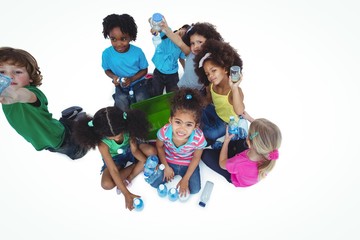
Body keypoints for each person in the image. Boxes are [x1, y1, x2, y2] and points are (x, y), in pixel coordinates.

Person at [0, 47, 88, 160]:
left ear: (30, 78)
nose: (9, 76)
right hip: (47, 137)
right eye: (2, 72)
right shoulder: (3, 92)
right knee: (53, 135)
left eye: (17, 72)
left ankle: (80, 122)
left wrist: (14, 95)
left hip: (62, 139)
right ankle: (68, 120)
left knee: (77, 152)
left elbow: (21, 95)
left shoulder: (32, 93)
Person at [72, 106, 156, 210]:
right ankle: (137, 166)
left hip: (130, 150)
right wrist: (126, 193)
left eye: (119, 134)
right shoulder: (102, 144)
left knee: (151, 151)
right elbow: (113, 169)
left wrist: (145, 161)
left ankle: (131, 176)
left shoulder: (128, 129)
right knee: (106, 184)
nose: (117, 138)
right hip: (115, 159)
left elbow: (134, 151)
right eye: (112, 137)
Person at [194, 39, 254, 145]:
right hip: (217, 112)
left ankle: (200, 129)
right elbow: (209, 99)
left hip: (227, 123)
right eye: (207, 74)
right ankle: (197, 123)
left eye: (213, 70)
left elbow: (239, 111)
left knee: (211, 133)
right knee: (195, 108)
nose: (210, 76)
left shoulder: (233, 91)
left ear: (225, 69)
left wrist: (235, 88)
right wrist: (198, 105)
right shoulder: (212, 85)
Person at [150, 87, 207, 197]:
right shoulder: (165, 131)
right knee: (154, 184)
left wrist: (185, 179)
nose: (182, 129)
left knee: (195, 190)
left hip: (188, 163)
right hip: (169, 161)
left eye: (188, 124)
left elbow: (196, 157)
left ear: (196, 126)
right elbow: (159, 147)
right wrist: (166, 166)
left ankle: (184, 175)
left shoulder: (199, 137)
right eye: (178, 122)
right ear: (170, 120)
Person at [201, 118, 282, 187]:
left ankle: (221, 148)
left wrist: (226, 141)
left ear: (249, 143)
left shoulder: (239, 162)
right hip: (244, 166)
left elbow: (222, 164)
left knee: (205, 154)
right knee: (240, 142)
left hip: (233, 176)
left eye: (249, 135)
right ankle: (229, 148)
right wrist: (249, 118)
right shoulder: (269, 151)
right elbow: (264, 135)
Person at [102, 13, 150, 111]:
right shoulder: (107, 54)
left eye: (123, 39)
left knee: (142, 102)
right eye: (113, 39)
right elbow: (107, 70)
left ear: (131, 36)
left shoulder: (138, 52)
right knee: (121, 105)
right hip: (121, 85)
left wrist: (132, 79)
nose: (119, 44)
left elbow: (144, 70)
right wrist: (114, 77)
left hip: (138, 83)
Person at [161, 20, 223, 92]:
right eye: (192, 43)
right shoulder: (190, 53)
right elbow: (178, 41)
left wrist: (208, 96)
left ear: (210, 41)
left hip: (198, 92)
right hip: (181, 88)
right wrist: (165, 28)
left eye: (200, 42)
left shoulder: (210, 61)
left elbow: (209, 82)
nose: (196, 46)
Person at [150, 20, 190, 97]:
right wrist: (154, 30)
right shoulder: (167, 33)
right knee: (156, 93)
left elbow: (181, 58)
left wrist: (186, 70)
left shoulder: (181, 46)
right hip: (159, 71)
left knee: (174, 95)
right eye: (181, 33)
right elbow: (155, 28)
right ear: (180, 28)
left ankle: (173, 108)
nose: (181, 36)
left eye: (183, 37)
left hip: (172, 74)